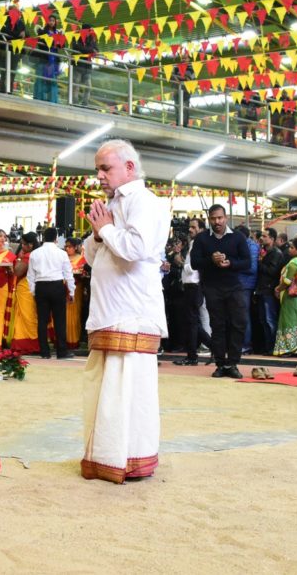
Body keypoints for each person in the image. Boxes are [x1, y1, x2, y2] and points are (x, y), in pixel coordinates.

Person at [81, 139, 167, 483]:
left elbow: (136, 248)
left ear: (129, 167)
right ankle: (105, 457)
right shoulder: (113, 204)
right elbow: (92, 257)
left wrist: (105, 229)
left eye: (106, 168)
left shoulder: (144, 201)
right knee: (105, 390)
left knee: (127, 391)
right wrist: (97, 235)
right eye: (97, 169)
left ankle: (129, 460)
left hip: (131, 313)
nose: (99, 176)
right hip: (109, 311)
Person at [190, 204, 251, 379]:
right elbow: (194, 263)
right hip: (212, 288)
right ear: (209, 219)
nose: (217, 221)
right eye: (213, 218)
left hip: (234, 287)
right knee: (217, 326)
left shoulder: (238, 237)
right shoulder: (202, 239)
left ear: (226, 218)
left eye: (220, 218)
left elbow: (247, 262)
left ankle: (233, 363)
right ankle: (220, 363)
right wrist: (211, 259)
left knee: (239, 323)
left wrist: (230, 263)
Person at [27, 227, 75, 359]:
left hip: (41, 287)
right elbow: (68, 274)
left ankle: (44, 352)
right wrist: (71, 292)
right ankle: (62, 352)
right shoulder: (62, 253)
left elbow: (30, 276)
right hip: (57, 286)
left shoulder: (34, 253)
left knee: (42, 320)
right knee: (60, 320)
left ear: (43, 237)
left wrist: (34, 292)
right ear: (56, 238)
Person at [173, 217, 211, 366]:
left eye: (194, 227)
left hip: (195, 286)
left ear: (201, 229)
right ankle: (211, 349)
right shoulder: (194, 243)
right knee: (192, 322)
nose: (190, 229)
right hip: (190, 286)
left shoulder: (200, 244)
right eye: (190, 227)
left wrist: (181, 263)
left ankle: (193, 356)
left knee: (193, 322)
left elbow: (195, 266)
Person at [273, 237, 297, 356]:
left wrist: (278, 289)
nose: (289, 249)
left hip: (291, 297)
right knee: (296, 321)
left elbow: (287, 281)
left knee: (289, 321)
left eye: (292, 247)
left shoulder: (294, 262)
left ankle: (289, 348)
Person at [7, 232, 42, 354]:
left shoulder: (28, 256)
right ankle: (29, 343)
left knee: (27, 316)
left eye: (23, 244)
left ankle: (30, 344)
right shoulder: (38, 254)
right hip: (34, 287)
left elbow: (17, 272)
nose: (21, 246)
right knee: (29, 315)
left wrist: (18, 259)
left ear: (30, 245)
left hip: (25, 287)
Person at [255, 227, 284, 355]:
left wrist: (260, 263)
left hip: (269, 290)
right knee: (263, 320)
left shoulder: (276, 253)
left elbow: (272, 271)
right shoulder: (264, 252)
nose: (261, 238)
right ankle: (268, 347)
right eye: (261, 236)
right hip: (262, 289)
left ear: (272, 239)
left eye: (265, 236)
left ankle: (273, 347)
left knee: (269, 320)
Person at [235, 224, 260, 354]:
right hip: (238, 284)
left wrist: (234, 264)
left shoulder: (252, 247)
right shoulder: (241, 245)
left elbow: (252, 268)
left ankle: (246, 344)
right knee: (238, 316)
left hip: (246, 285)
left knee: (244, 315)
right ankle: (240, 344)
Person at [0, 3, 27, 93]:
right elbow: (5, 31)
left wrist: (23, 34)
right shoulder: (4, 20)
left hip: (15, 50)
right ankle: (2, 90)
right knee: (4, 71)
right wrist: (18, 35)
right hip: (3, 50)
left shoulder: (20, 22)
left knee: (12, 72)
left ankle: (9, 91)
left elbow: (26, 34)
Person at [64, 237, 87, 354]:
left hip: (76, 288)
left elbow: (84, 274)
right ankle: (62, 339)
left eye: (70, 246)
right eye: (66, 246)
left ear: (76, 247)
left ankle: (73, 340)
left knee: (74, 314)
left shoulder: (81, 259)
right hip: (62, 289)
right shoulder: (63, 258)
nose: (67, 249)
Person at [32, 14, 61, 103]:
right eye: (50, 20)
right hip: (44, 59)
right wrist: (53, 42)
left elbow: (62, 45)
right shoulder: (42, 31)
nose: (51, 22)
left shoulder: (57, 33)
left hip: (54, 60)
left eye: (53, 20)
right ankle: (39, 98)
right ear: (47, 21)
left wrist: (58, 39)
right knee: (41, 79)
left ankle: (52, 100)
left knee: (53, 81)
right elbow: (41, 41)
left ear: (55, 22)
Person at [71, 24, 98, 105]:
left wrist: (89, 50)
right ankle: (74, 103)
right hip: (77, 64)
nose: (90, 32)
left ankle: (85, 103)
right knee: (76, 85)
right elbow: (76, 47)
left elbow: (97, 50)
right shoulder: (76, 36)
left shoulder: (92, 39)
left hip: (87, 66)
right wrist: (91, 50)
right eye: (89, 30)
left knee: (88, 86)